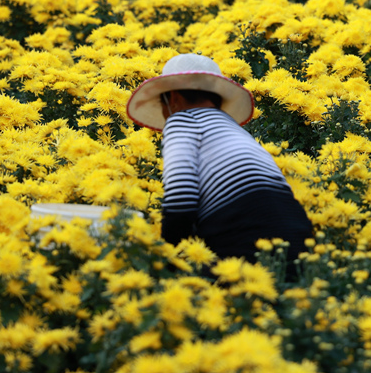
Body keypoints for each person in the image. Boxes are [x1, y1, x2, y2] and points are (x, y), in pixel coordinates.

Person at [126, 53, 313, 274]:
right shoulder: (236, 131)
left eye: (162, 105)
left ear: (173, 98)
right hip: (299, 237)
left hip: (243, 240)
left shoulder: (182, 119)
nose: (165, 115)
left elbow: (180, 198)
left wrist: (169, 259)